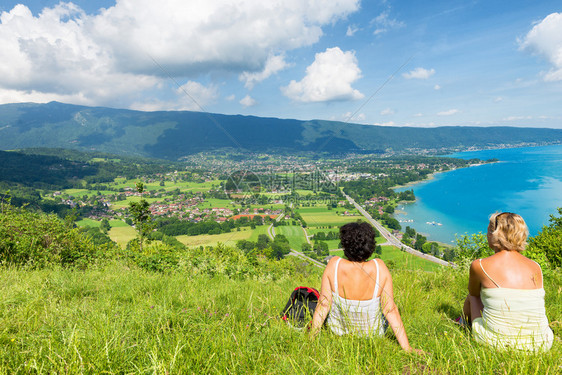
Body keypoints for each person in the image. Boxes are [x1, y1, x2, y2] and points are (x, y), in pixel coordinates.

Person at [310, 221, 420, 353]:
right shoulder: (379, 267)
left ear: (345, 245)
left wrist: (311, 340)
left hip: (338, 331)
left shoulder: (334, 264)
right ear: (370, 246)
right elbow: (390, 310)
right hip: (373, 334)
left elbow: (324, 305)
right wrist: (407, 348)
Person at [463, 212, 554, 351]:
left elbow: (474, 293)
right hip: (542, 344)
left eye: (488, 229)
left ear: (495, 234)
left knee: (473, 296)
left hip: (498, 343)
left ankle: (463, 324)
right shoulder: (536, 266)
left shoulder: (479, 265)